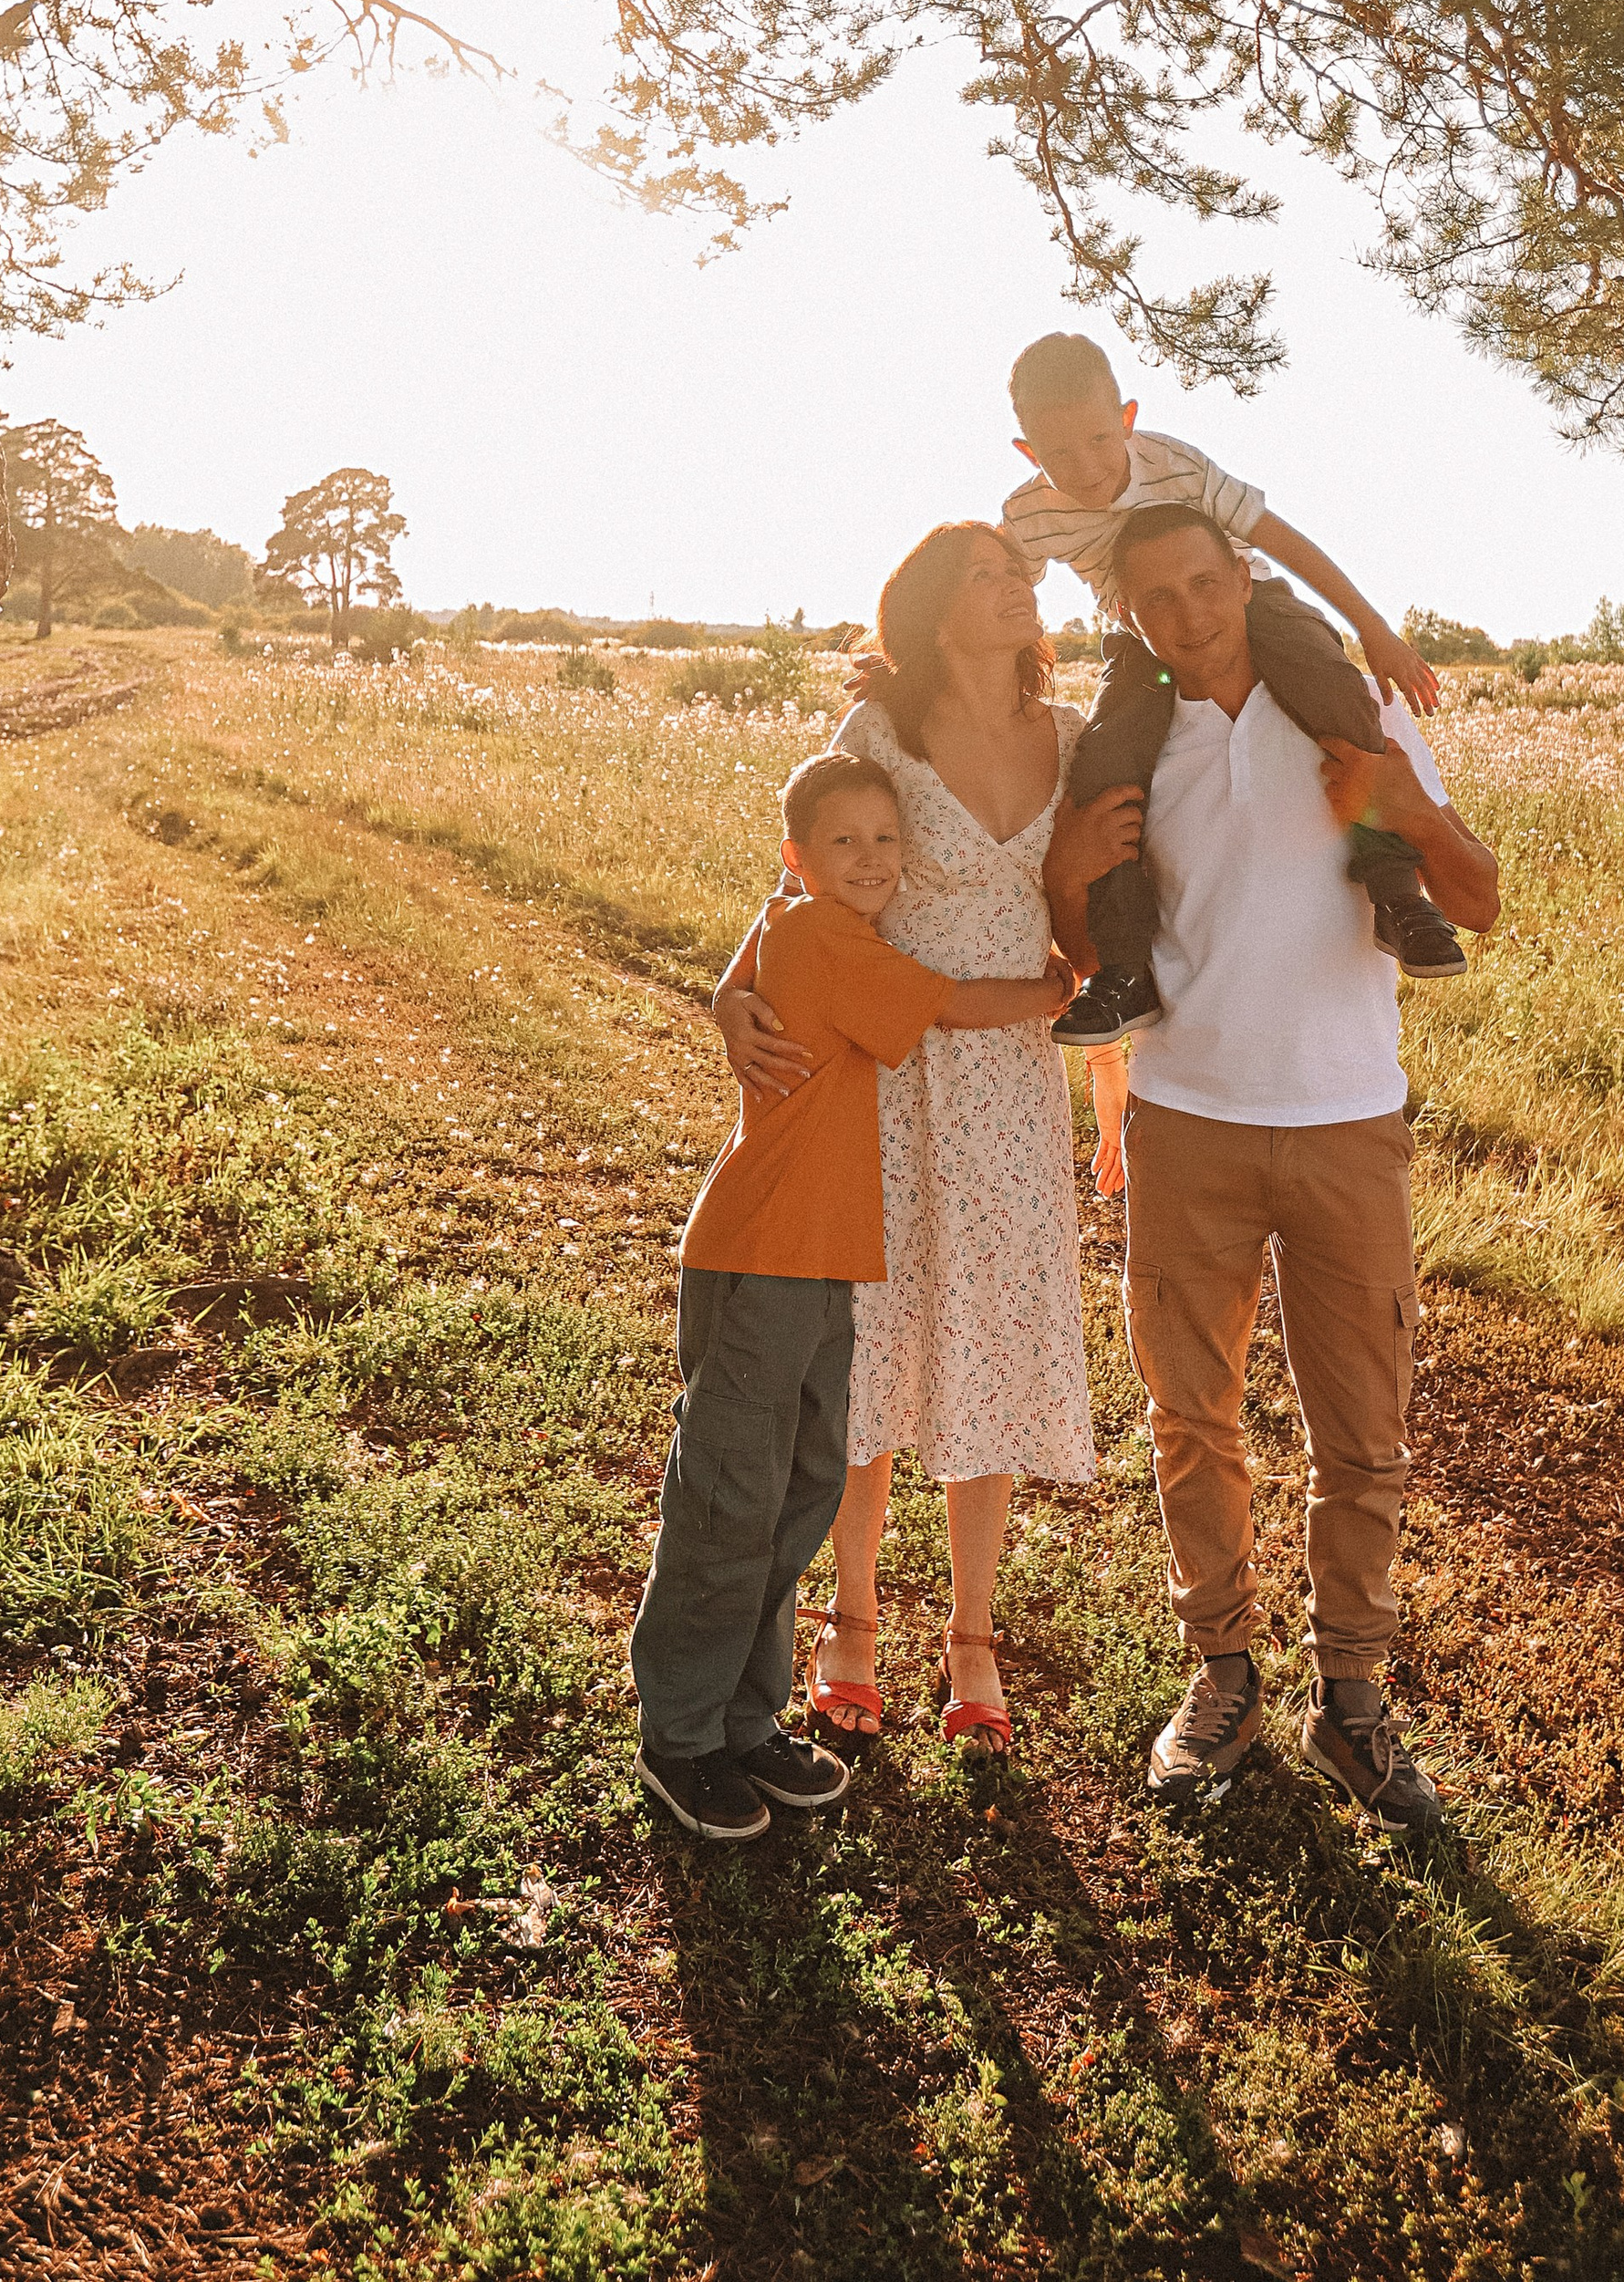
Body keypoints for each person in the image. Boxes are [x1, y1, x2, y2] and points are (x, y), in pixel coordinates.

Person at [1041, 501, 1500, 1836]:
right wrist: (1070, 877)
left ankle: (1352, 1700)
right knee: (1193, 1419)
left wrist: (1407, 806)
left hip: (1352, 1118)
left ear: (1244, 576)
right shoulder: (1129, 748)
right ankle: (1223, 1676)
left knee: (1365, 1434)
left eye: (1205, 584)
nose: (1187, 615)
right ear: (1126, 615)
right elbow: (1083, 962)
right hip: (1188, 1115)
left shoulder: (1345, 712)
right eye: (1156, 599)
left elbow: (1476, 901)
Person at [713, 523, 1112, 1757]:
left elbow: (1106, 909)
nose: (1018, 591)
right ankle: (852, 1621)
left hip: (1008, 1073)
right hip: (882, 1066)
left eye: (1022, 576)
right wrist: (732, 995)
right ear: (940, 609)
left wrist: (1118, 1070)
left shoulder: (1080, 739)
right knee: (876, 1337)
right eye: (990, 577)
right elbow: (800, 881)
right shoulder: (879, 740)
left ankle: (977, 1639)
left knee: (988, 1330)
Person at [632, 744, 1072, 1841]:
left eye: (886, 838)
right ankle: (680, 1738)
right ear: (797, 860)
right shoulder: (819, 936)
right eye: (844, 842)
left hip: (829, 1259)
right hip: (765, 1253)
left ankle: (746, 1718)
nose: (872, 858)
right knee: (732, 1492)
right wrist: (1062, 987)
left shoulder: (839, 931)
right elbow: (953, 1007)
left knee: (800, 1485)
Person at [999, 328, 1465, 1046]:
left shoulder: (1180, 467)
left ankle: (1399, 897)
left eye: (1099, 439)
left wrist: (1373, 629)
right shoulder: (1030, 515)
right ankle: (1124, 971)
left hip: (1248, 600)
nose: (1087, 467)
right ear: (1028, 452)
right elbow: (998, 595)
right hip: (1138, 633)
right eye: (1059, 454)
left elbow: (1287, 545)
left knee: (1336, 694)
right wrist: (921, 664)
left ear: (1125, 419)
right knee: (1103, 766)